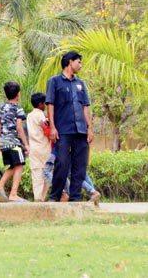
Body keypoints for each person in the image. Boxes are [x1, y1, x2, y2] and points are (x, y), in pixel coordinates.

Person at [46, 51, 93, 202]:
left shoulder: (81, 84)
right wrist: (52, 127)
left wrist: (89, 128)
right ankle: (55, 196)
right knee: (62, 163)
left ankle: (75, 198)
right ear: (70, 62)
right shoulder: (54, 81)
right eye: (78, 62)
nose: (80, 65)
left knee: (80, 165)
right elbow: (50, 104)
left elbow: (85, 107)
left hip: (81, 130)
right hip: (63, 131)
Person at [0, 82, 29, 202]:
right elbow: (19, 128)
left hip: (4, 143)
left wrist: (2, 135)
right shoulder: (18, 108)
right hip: (14, 142)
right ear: (18, 94)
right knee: (19, 165)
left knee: (14, 165)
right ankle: (13, 193)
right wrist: (26, 144)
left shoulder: (2, 108)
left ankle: (0, 185)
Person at [26, 92, 52, 202]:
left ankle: (37, 198)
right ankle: (42, 197)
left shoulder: (29, 115)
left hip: (33, 148)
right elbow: (45, 128)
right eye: (44, 103)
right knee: (46, 173)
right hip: (43, 147)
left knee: (36, 174)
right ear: (40, 104)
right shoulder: (40, 114)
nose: (45, 106)